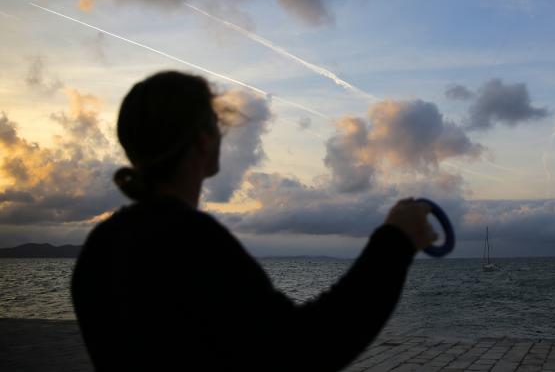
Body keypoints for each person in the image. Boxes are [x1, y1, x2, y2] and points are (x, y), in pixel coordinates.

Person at [71, 71, 437, 371]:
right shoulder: (188, 240)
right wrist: (395, 242)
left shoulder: (101, 245)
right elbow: (302, 350)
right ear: (202, 140)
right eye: (216, 125)